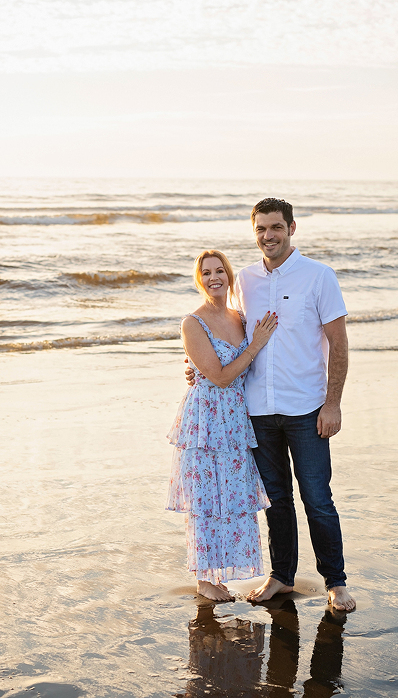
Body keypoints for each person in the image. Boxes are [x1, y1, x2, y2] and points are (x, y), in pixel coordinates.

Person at [186, 199, 356, 611]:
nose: (268, 236)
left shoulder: (319, 277)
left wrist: (332, 404)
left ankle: (336, 581)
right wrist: (196, 368)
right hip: (257, 412)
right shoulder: (244, 280)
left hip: (307, 408)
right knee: (275, 500)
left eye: (276, 227)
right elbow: (228, 336)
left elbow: (338, 344)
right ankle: (282, 576)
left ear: (291, 228)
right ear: (254, 232)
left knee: (317, 497)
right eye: (261, 229)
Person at [166, 249, 278, 602]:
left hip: (235, 419)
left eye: (220, 271)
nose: (215, 277)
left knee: (230, 495)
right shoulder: (192, 322)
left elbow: (237, 373)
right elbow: (219, 376)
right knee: (205, 498)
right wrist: (255, 345)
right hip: (206, 422)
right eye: (207, 272)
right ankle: (204, 578)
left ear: (229, 276)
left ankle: (218, 575)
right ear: (199, 279)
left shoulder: (239, 317)